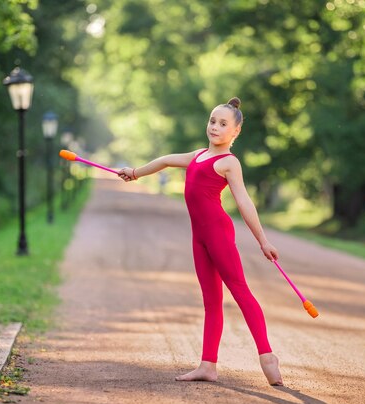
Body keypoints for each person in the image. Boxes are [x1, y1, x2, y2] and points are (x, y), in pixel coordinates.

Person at [118, 97, 283, 386]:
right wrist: (134, 173)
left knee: (240, 291)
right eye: (212, 121)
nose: (215, 127)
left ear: (235, 132)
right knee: (211, 301)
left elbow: (244, 201)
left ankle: (267, 356)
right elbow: (166, 160)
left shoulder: (229, 162)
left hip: (218, 233)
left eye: (223, 124)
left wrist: (263, 241)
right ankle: (208, 365)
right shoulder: (197, 156)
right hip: (200, 238)